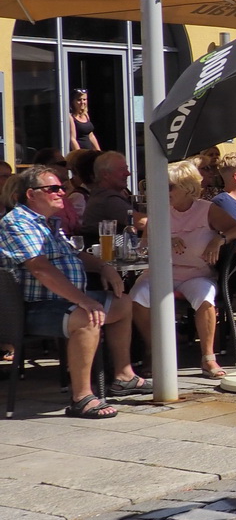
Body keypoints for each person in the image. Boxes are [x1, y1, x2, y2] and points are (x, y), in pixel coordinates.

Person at [0, 164, 144, 416]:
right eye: (53, 188)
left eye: (62, 188)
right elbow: (40, 268)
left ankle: (123, 376)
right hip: (30, 309)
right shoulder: (17, 222)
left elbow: (74, 253)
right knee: (88, 316)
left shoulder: (48, 223)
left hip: (60, 301)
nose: (61, 193)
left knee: (122, 303)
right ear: (31, 194)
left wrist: (103, 267)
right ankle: (82, 398)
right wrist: (84, 301)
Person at [127, 160, 236, 381]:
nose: (163, 192)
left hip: (196, 272)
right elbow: (143, 248)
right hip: (161, 272)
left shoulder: (206, 209)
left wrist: (219, 239)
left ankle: (208, 357)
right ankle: (153, 351)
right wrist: (165, 238)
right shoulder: (159, 211)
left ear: (186, 186)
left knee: (205, 299)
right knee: (137, 297)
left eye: (168, 186)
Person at [79, 151, 140, 239]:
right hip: (104, 251)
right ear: (105, 174)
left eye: (126, 169)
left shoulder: (103, 195)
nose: (128, 173)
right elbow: (144, 222)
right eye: (122, 169)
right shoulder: (107, 199)